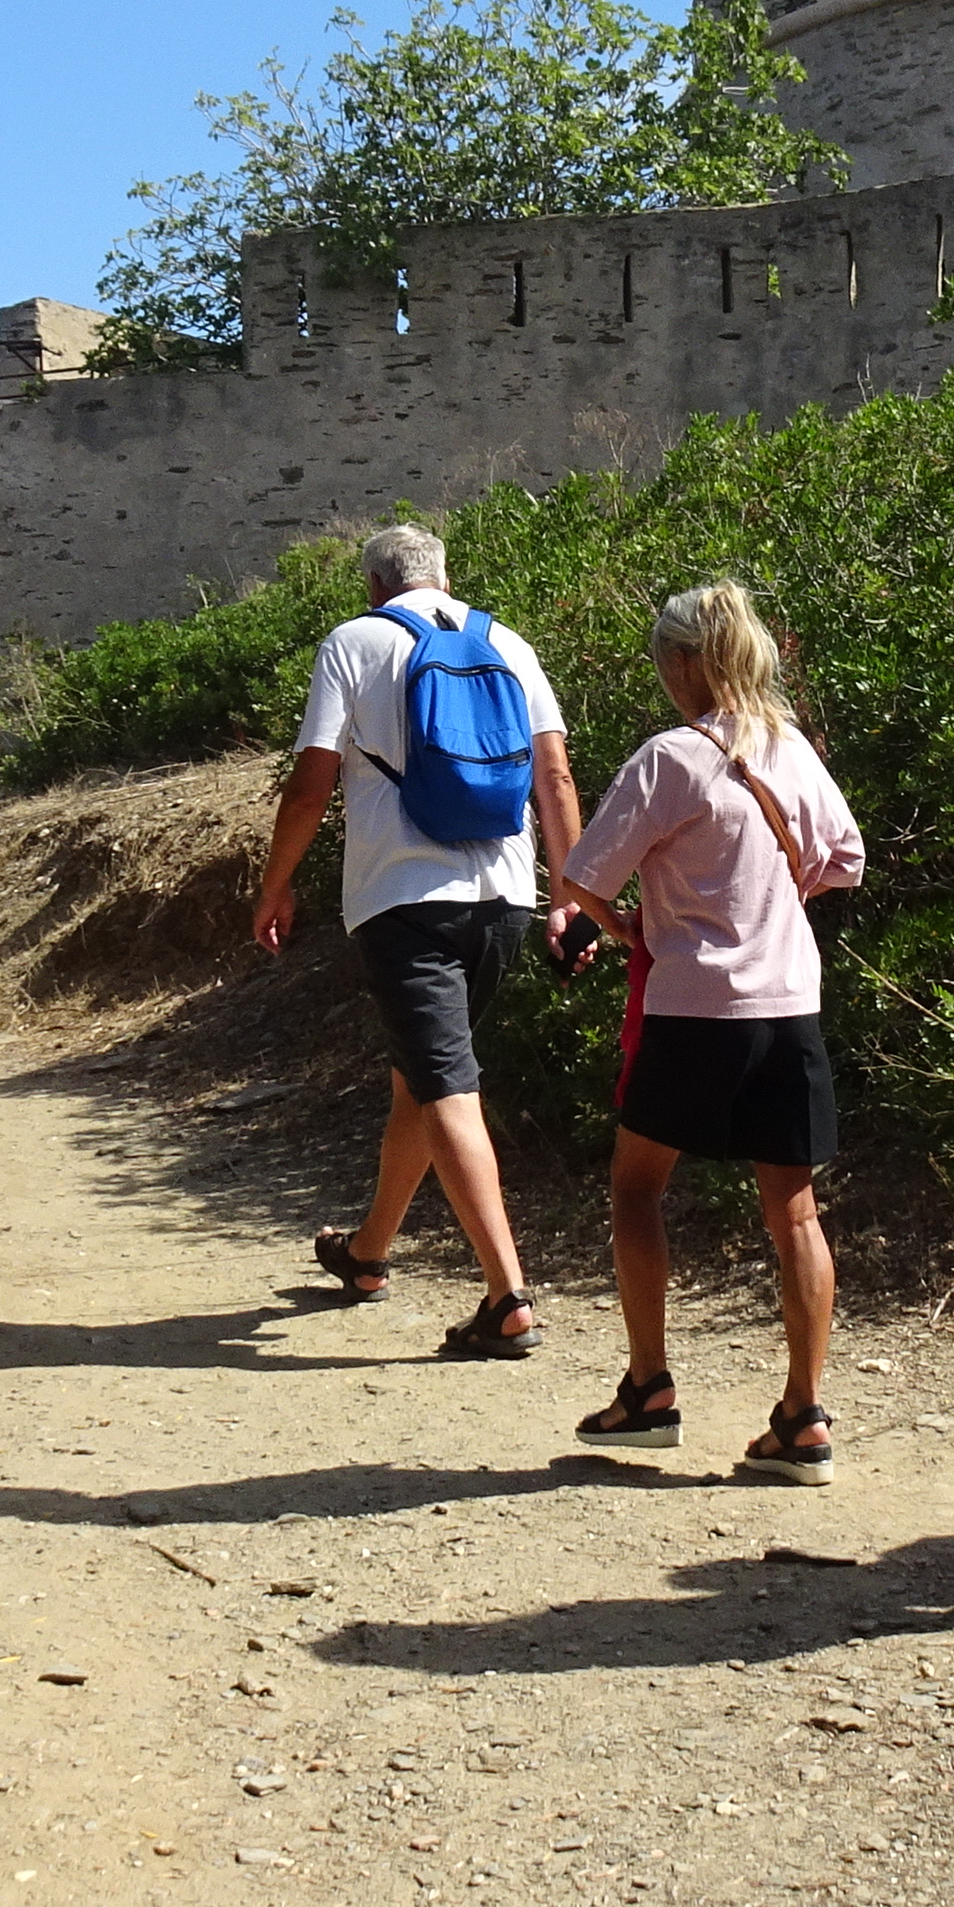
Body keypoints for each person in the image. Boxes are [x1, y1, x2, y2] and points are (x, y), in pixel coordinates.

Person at [552, 582, 866, 1481]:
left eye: (664, 659)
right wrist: (775, 895)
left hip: (694, 1008)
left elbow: (585, 878)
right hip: (789, 1004)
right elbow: (844, 859)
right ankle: (804, 1416)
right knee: (794, 1211)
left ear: (689, 663)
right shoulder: (791, 747)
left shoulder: (670, 759)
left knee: (636, 1188)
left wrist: (630, 928)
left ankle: (649, 1389)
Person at [250, 522, 582, 1358]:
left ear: (373, 585)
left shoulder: (355, 642)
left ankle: (508, 1298)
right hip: (505, 897)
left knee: (445, 1085)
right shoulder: (508, 640)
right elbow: (556, 776)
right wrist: (571, 898)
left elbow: (313, 778)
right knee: (421, 1079)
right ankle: (367, 1255)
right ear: (445, 576)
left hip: (403, 898)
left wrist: (276, 881)